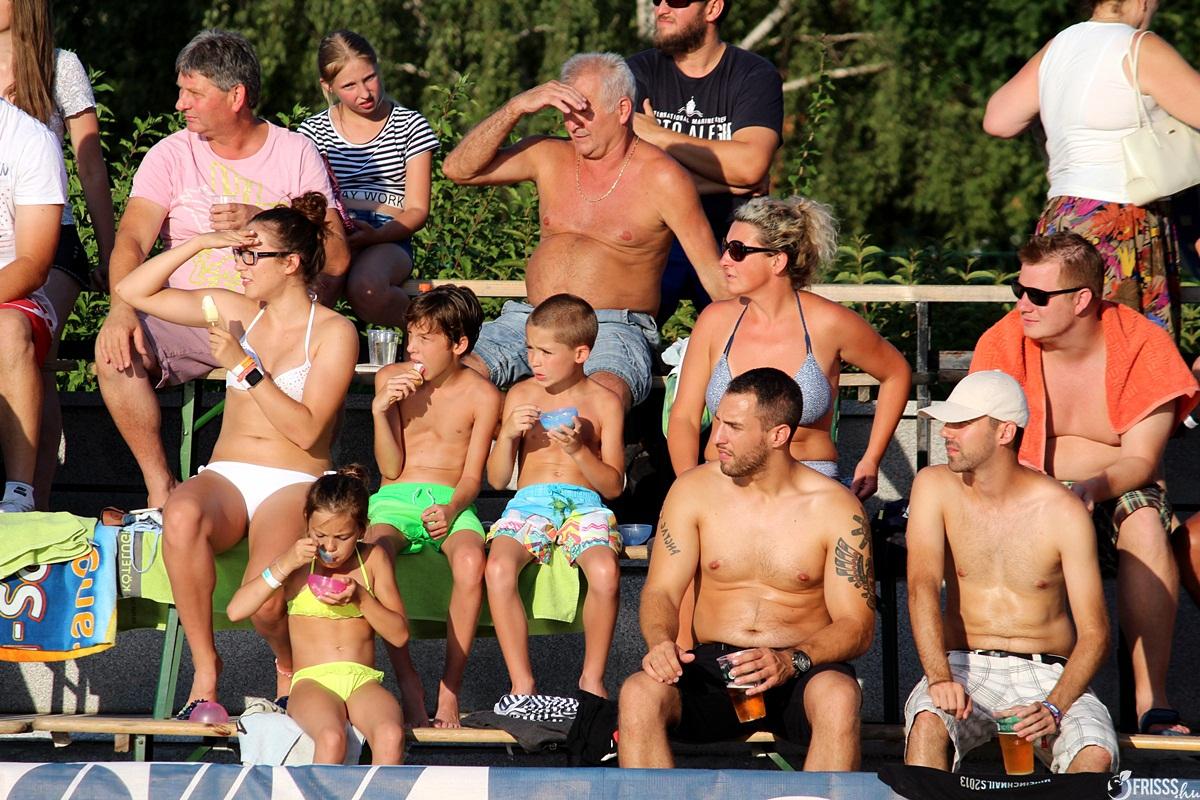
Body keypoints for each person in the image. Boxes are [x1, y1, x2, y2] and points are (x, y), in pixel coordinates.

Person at [114, 192, 359, 711]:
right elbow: (131, 289)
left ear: (290, 263)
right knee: (181, 512)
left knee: (266, 603)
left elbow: (309, 431)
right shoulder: (234, 312)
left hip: (294, 479)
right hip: (228, 474)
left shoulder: (335, 332)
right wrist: (202, 242)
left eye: (252, 254)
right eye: (238, 253)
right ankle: (206, 669)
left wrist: (245, 368)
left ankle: (288, 664)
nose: (240, 264)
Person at [97, 29, 349, 508]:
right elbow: (130, 240)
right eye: (181, 91)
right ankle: (161, 486)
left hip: (274, 320)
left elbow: (336, 256)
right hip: (190, 315)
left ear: (236, 96)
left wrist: (263, 215)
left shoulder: (294, 152)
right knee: (113, 353)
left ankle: (313, 498)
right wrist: (120, 311)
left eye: (193, 93)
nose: (180, 104)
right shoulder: (171, 154)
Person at [971, 232, 1199, 735]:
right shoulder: (1002, 343)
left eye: (1038, 295)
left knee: (1144, 522)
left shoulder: (1141, 344)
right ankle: (1006, 692)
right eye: (1018, 289)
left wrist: (1092, 487)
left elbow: (1141, 461)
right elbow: (983, 446)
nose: (1023, 305)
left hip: (1113, 491)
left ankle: (1152, 701)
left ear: (1081, 299)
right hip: (1023, 490)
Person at [618, 367, 874, 770]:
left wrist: (792, 660)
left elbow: (857, 625)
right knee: (639, 693)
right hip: (713, 665)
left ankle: (820, 799)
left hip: (799, 666)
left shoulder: (835, 507)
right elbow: (661, 590)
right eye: (719, 422)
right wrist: (661, 642)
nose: (717, 438)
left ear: (778, 435)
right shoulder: (693, 490)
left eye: (734, 427)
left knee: (838, 696)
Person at [442, 51, 727, 409]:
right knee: (453, 378)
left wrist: (760, 331)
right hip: (532, 318)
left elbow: (712, 273)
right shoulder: (548, 154)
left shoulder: (663, 177)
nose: (573, 124)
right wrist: (517, 107)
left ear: (622, 110)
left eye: (584, 111)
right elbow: (458, 169)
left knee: (598, 401)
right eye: (566, 112)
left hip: (613, 327)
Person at [904, 370, 1117, 774]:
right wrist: (938, 677)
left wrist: (1055, 706)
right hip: (963, 664)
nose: (946, 432)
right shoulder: (934, 486)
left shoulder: (1062, 510)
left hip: (1049, 672)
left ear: (1004, 432)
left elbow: (1096, 632)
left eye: (962, 423)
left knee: (1095, 755)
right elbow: (921, 587)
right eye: (948, 422)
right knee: (927, 723)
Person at [984, 0, 1200, 340]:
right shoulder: (1139, 46)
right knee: (1127, 346)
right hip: (1123, 220)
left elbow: (999, 120)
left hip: (1064, 219)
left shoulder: (1059, 45)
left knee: (1065, 341)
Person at [667, 195, 911, 496]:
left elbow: (896, 372)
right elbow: (684, 417)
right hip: (723, 482)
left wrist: (871, 459)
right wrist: (690, 484)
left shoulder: (829, 323)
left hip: (806, 486)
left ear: (777, 260)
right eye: (725, 246)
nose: (724, 260)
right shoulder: (715, 320)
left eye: (738, 250)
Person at [366, 284, 501, 728]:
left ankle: (449, 688)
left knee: (470, 561)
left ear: (458, 345)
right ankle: (408, 681)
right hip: (395, 496)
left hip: (451, 499)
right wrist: (380, 410)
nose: (412, 347)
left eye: (425, 339)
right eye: (411, 335)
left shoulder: (483, 395)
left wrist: (452, 509)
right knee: (375, 553)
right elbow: (389, 468)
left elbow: (473, 478)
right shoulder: (391, 379)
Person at [0, 0, 117, 510]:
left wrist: (111, 254)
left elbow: (90, 164)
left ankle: (32, 499)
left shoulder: (59, 65)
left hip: (50, 240)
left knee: (30, 349)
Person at [484, 294, 625, 698]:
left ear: (581, 353)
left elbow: (614, 486)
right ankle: (521, 682)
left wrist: (579, 451)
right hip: (530, 502)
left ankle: (592, 680)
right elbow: (497, 480)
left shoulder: (605, 402)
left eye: (546, 352)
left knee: (605, 572)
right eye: (530, 348)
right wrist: (507, 435)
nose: (535, 360)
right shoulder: (520, 395)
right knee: (498, 568)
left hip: (585, 504)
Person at [227, 466, 408, 765]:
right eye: (320, 534)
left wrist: (361, 598)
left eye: (342, 536)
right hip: (312, 681)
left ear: (362, 530)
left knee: (390, 733)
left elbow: (399, 634)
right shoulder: (299, 562)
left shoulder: (372, 559)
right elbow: (237, 610)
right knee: (331, 737)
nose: (329, 547)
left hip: (362, 680)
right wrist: (285, 564)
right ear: (307, 523)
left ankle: (380, 788)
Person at [627, 0, 783, 323]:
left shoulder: (754, 75)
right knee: (626, 326)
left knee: (747, 332)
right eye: (657, 0)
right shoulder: (634, 73)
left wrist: (659, 136)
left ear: (713, 8)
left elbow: (750, 165)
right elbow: (624, 171)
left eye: (677, 1)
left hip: (733, 238)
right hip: (657, 235)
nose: (661, 9)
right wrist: (731, 181)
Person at [298, 30, 437, 327]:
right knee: (311, 292)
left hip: (389, 235)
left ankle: (428, 332)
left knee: (366, 287)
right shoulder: (312, 132)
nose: (365, 93)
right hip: (331, 232)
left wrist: (375, 236)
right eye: (349, 85)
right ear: (328, 86)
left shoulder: (410, 125)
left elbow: (417, 210)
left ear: (378, 67)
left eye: (369, 78)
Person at [0, 97, 64, 512]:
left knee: (6, 330)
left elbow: (34, 264)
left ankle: (18, 493)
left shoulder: (28, 139)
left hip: (13, 297)